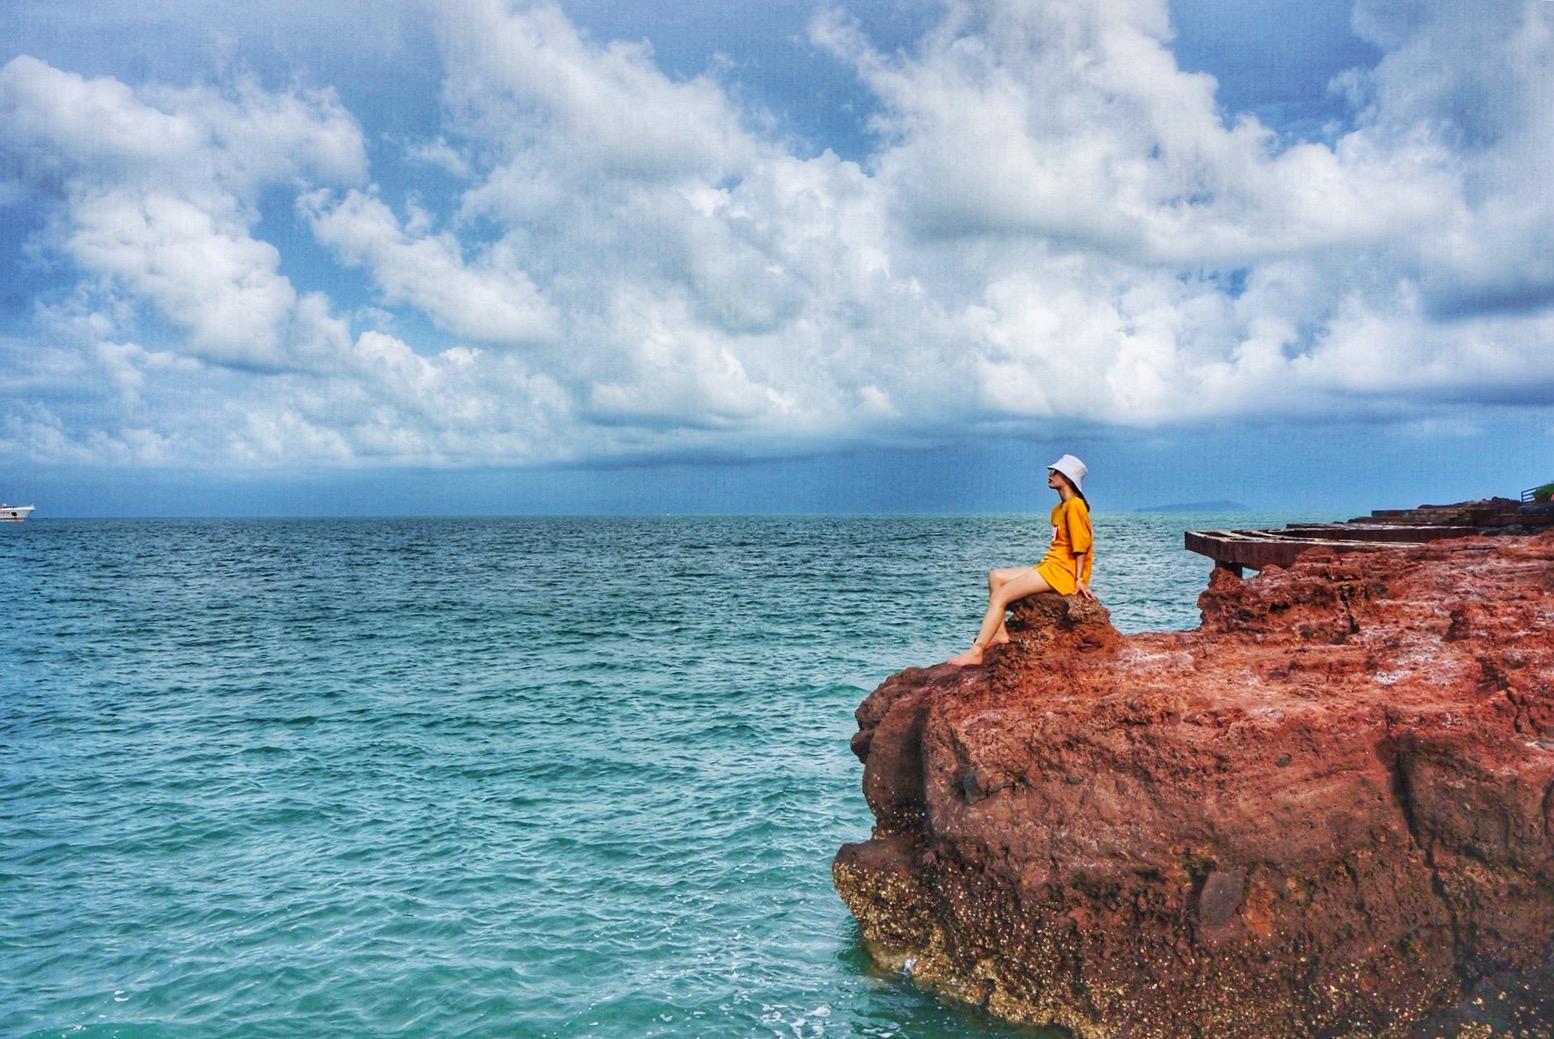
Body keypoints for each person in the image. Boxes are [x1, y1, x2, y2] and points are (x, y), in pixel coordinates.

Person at [948, 454, 1095, 667]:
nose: (1050, 475)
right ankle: (1000, 635)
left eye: (1055, 472)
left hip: (1063, 573)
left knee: (1000, 597)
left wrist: (1080, 579)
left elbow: (1081, 545)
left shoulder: (1075, 506)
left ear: (1068, 477)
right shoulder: (1058, 509)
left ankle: (977, 650)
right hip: (1050, 565)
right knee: (996, 577)